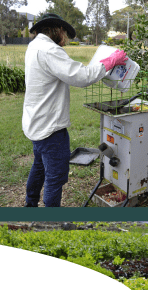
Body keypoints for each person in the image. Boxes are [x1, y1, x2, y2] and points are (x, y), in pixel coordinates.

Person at [22, 13, 128, 207]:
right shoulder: (49, 50)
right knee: (55, 177)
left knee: (38, 167)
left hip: (35, 122)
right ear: (57, 30)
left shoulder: (34, 46)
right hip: (50, 128)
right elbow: (81, 76)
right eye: (64, 35)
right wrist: (110, 61)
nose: (65, 40)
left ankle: (30, 206)